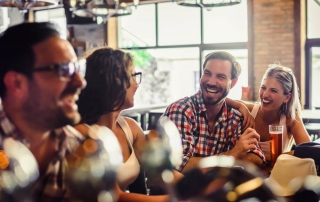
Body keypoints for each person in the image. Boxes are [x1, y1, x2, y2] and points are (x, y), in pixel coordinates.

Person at [0, 22, 87, 201]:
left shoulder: (77, 147)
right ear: (17, 83)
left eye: (77, 69)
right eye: (64, 70)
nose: (80, 82)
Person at [77, 47, 172, 201]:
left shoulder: (130, 128)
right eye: (133, 76)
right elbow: (116, 196)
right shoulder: (83, 134)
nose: (137, 84)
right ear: (114, 82)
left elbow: (160, 172)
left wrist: (201, 182)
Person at [163, 51, 266, 174]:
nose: (211, 82)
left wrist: (220, 162)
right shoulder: (181, 110)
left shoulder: (235, 117)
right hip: (179, 192)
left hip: (216, 191)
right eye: (207, 74)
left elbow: (257, 158)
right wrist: (234, 154)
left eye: (220, 77)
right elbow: (180, 165)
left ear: (233, 83)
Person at [226, 63, 310, 161]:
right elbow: (220, 99)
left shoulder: (290, 119)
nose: (265, 95)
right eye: (263, 88)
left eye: (273, 91)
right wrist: (240, 105)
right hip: (247, 174)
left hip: (276, 174)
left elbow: (308, 151)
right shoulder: (249, 110)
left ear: (287, 97)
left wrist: (268, 157)